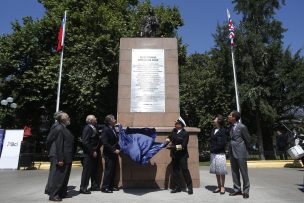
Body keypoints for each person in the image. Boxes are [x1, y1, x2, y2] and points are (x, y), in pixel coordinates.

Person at [46, 112, 74, 201]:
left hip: (67, 156)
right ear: (63, 119)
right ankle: (53, 195)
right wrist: (60, 159)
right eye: (68, 117)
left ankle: (62, 193)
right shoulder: (59, 128)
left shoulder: (64, 128)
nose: (69, 118)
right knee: (59, 177)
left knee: (64, 177)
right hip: (62, 156)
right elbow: (59, 145)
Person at [166, 117, 193, 195]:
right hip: (174, 155)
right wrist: (167, 140)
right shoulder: (174, 131)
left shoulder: (185, 133)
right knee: (175, 171)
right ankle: (178, 187)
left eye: (177, 123)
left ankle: (190, 187)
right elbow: (169, 137)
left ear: (181, 125)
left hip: (182, 156)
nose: (175, 124)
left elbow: (183, 146)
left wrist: (172, 147)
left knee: (185, 171)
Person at [228, 111, 250, 199]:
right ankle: (237, 190)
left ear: (234, 117)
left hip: (241, 152)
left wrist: (244, 150)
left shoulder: (242, 127)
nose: (228, 116)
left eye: (230, 115)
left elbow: (248, 139)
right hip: (232, 152)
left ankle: (246, 191)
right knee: (234, 171)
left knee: (244, 172)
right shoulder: (230, 127)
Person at [80, 115, 101, 194]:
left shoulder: (93, 127)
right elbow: (85, 141)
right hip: (88, 154)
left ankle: (94, 186)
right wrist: (92, 151)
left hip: (94, 153)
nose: (96, 119)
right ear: (91, 120)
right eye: (95, 118)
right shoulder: (87, 128)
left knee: (94, 170)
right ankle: (83, 188)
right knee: (87, 171)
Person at [101, 115, 120, 193]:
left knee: (112, 170)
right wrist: (113, 150)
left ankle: (111, 186)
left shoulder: (112, 128)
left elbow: (115, 140)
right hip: (109, 153)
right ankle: (105, 187)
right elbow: (105, 143)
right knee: (108, 170)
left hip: (113, 153)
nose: (115, 120)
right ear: (109, 121)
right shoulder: (105, 129)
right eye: (113, 119)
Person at [209, 115, 227, 194]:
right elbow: (211, 141)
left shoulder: (223, 130)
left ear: (219, 121)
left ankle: (222, 186)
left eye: (215, 119)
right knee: (216, 171)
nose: (214, 120)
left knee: (221, 171)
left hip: (220, 153)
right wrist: (211, 148)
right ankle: (218, 186)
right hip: (213, 153)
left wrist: (215, 149)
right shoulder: (213, 129)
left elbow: (223, 143)